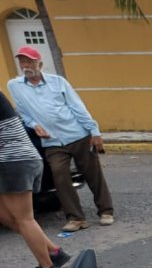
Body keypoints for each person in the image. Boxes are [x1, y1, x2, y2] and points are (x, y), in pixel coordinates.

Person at [7, 45, 113, 232]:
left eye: (30, 61)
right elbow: (23, 111)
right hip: (52, 141)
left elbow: (77, 106)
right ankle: (76, 218)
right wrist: (34, 125)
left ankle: (106, 211)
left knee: (93, 175)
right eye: (22, 61)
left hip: (77, 135)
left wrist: (94, 132)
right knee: (60, 176)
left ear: (39, 62)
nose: (26, 65)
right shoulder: (14, 85)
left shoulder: (58, 82)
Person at [0, 87, 70, 268]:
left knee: (24, 218)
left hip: (13, 161)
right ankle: (54, 253)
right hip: (16, 160)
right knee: (7, 216)